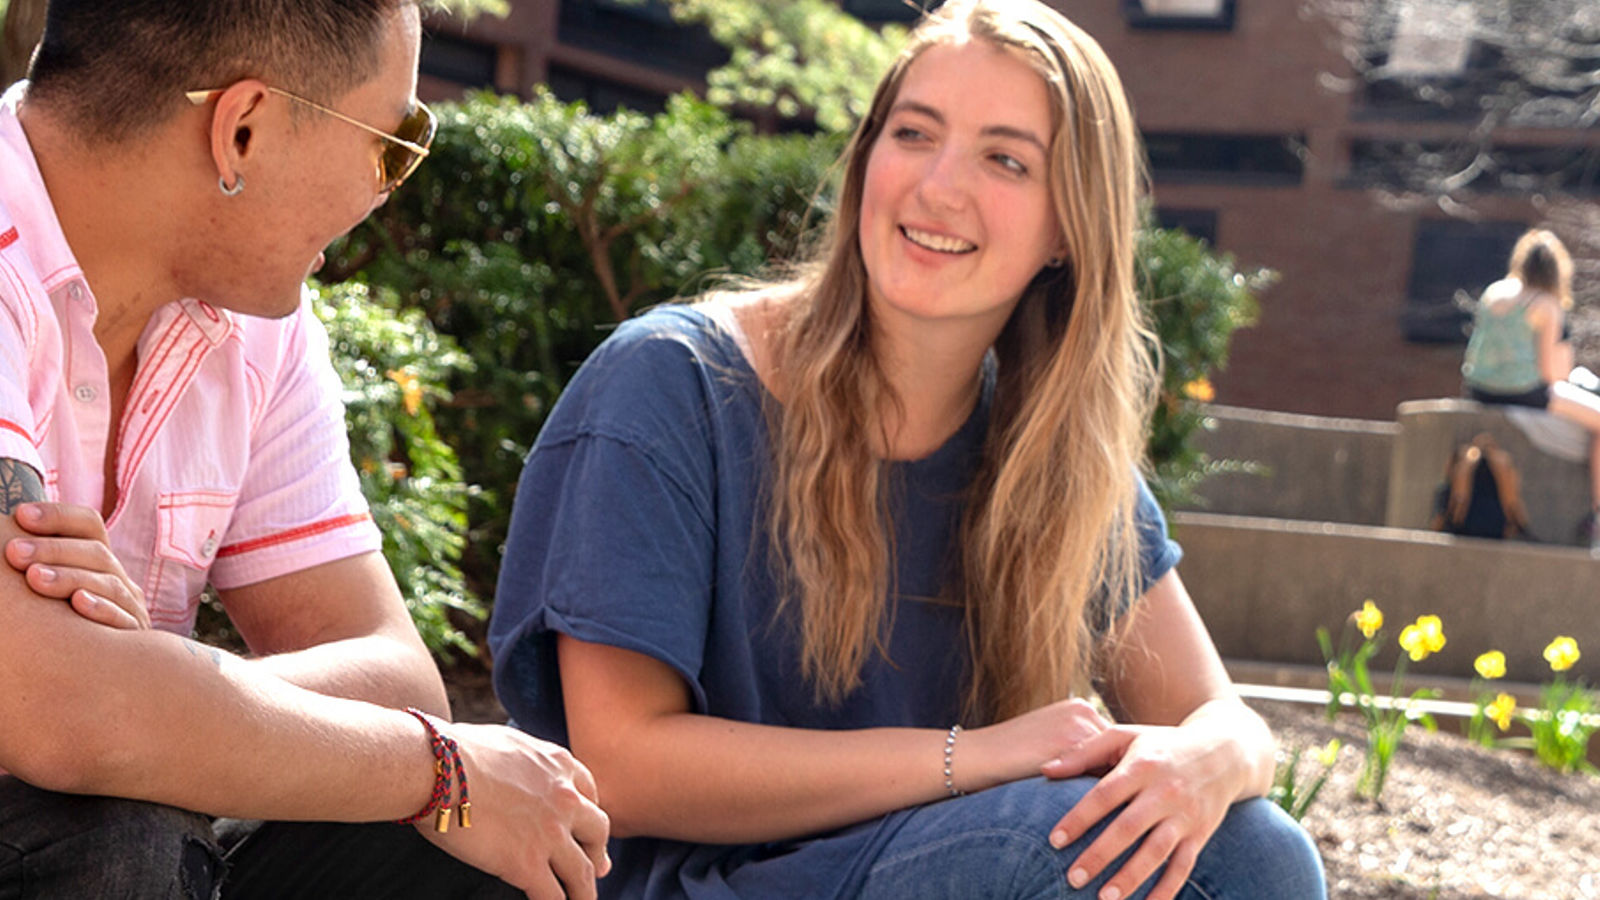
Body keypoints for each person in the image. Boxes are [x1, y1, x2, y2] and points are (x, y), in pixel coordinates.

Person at [489, 1, 1326, 897]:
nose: (937, 187)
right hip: (696, 882)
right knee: (1046, 840)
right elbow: (623, 767)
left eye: (1005, 159)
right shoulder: (672, 383)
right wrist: (977, 758)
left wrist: (1209, 757)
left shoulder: (1054, 457)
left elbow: (1222, 717)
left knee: (1258, 853)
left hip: (950, 862)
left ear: (1067, 232)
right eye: (915, 133)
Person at [0, 2, 609, 897]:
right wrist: (439, 771)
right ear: (240, 130)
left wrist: (141, 689)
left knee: (492, 838)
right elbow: (54, 710)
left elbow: (397, 676)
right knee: (115, 827)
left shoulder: (250, 326)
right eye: (391, 142)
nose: (387, 186)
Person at [1461, 228, 1600, 547]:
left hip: (1479, 389)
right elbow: (1553, 374)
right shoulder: (1547, 304)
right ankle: (1596, 513)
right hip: (1524, 392)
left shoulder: (1493, 292)